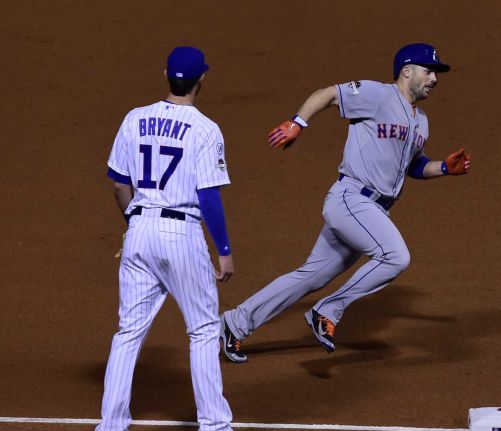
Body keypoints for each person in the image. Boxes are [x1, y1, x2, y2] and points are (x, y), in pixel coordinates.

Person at [219, 43, 471, 363]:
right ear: (407, 71)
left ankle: (234, 323)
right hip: (351, 199)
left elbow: (413, 165)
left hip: (371, 211)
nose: (435, 78)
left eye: (436, 73)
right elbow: (327, 94)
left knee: (310, 276)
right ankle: (328, 310)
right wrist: (297, 122)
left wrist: (444, 168)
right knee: (395, 256)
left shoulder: (421, 120)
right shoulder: (377, 95)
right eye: (429, 71)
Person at [98, 46, 234, 431]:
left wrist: (135, 221)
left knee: (128, 332)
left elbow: (119, 184)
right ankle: (215, 426)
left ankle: (111, 425)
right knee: (203, 330)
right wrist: (223, 250)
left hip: (139, 230)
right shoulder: (205, 129)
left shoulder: (134, 118)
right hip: (182, 232)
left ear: (166, 75)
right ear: (201, 79)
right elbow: (208, 196)